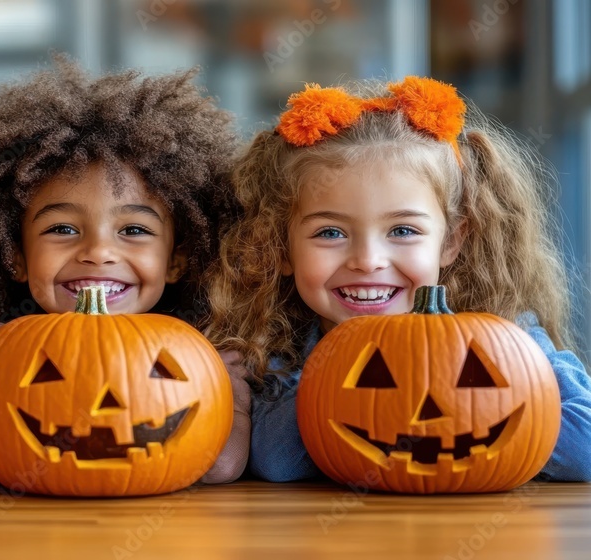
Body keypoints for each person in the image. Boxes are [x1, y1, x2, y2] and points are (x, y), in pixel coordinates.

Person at [204, 76, 591, 482]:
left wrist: (490, 400)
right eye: (330, 233)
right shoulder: (280, 348)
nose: (368, 261)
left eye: (403, 230)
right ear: (280, 248)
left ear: (450, 242)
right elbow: (278, 462)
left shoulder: (506, 334)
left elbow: (585, 449)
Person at [0, 55, 247, 484]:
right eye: (62, 229)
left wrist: (230, 396)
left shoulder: (197, 354)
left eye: (133, 230)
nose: (98, 253)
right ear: (16, 257)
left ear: (176, 260)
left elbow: (220, 467)